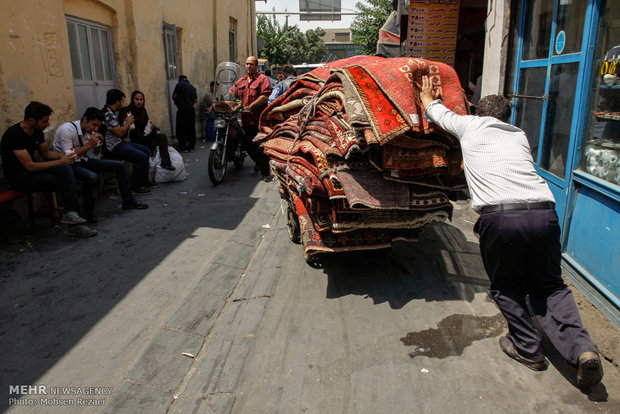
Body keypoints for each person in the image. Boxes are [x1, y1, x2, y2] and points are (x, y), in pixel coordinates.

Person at [417, 75, 603, 390]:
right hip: (544, 213)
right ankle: (582, 349)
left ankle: (528, 348)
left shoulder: (470, 126)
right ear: (507, 118)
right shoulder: (518, 135)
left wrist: (427, 98)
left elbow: (437, 113)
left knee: (506, 286)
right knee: (550, 286)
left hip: (502, 219)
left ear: (478, 114)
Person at [0, 101, 96, 237]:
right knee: (57, 178)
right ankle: (72, 218)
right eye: (44, 122)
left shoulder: (37, 131)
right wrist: (61, 161)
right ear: (32, 120)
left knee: (65, 169)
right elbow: (30, 166)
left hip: (33, 171)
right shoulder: (14, 135)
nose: (48, 125)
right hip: (19, 176)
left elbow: (47, 154)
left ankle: (71, 215)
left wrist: (68, 155)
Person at [52, 107, 148, 223]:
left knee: (119, 165)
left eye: (98, 126)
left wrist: (98, 145)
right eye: (94, 125)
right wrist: (88, 145)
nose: (95, 129)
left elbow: (95, 153)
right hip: (68, 164)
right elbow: (69, 156)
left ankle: (128, 201)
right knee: (91, 177)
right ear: (85, 119)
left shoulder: (88, 131)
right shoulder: (67, 130)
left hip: (83, 161)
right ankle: (87, 214)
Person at [230, 56, 273, 181]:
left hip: (258, 119)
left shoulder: (262, 79)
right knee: (248, 145)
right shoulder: (241, 81)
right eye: (247, 64)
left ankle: (266, 173)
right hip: (245, 120)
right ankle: (260, 164)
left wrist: (251, 106)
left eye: (251, 64)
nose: (248, 66)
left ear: (256, 66)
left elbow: (265, 97)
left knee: (260, 145)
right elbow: (231, 93)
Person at [102, 89, 152, 194]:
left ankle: (144, 180)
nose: (123, 104)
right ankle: (136, 186)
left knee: (146, 150)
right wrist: (128, 123)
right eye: (122, 101)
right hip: (113, 146)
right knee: (141, 156)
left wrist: (125, 124)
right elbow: (119, 133)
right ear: (117, 102)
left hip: (119, 142)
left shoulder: (112, 113)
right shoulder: (108, 114)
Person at [120, 91, 175, 171]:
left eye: (141, 99)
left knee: (162, 137)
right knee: (151, 143)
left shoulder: (143, 110)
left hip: (145, 134)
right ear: (132, 100)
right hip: (135, 136)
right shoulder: (127, 111)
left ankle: (166, 163)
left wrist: (151, 126)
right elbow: (123, 125)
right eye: (137, 99)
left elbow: (147, 122)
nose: (139, 102)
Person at [172, 75, 198, 152]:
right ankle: (191, 146)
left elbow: (174, 96)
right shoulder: (192, 87)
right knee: (191, 128)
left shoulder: (179, 85)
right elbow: (196, 100)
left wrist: (178, 101)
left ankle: (183, 146)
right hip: (191, 109)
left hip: (182, 109)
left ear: (179, 80)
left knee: (181, 128)